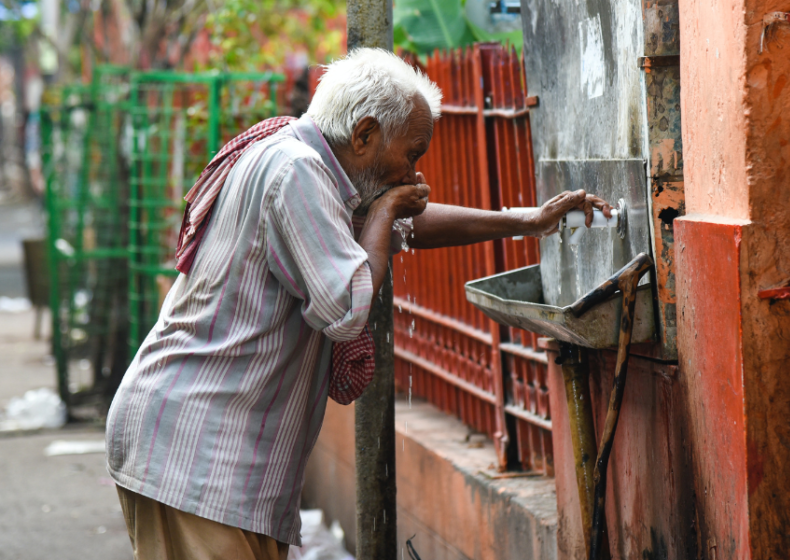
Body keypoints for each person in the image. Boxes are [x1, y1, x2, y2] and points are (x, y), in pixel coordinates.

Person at [106, 48, 611, 560]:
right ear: (365, 134)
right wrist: (386, 210)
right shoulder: (296, 171)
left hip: (212, 457)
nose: (413, 176)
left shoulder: (314, 169)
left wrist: (527, 221)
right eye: (411, 156)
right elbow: (347, 309)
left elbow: (409, 223)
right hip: (195, 451)